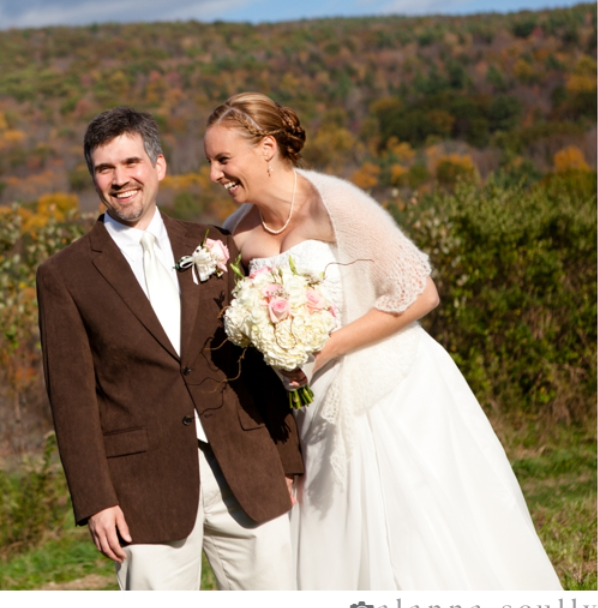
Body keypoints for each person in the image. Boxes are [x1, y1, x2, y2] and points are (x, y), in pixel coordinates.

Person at [204, 92, 563, 590]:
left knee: (410, 530)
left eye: (224, 159)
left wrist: (321, 351)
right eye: (211, 162)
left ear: (266, 148)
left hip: (388, 389)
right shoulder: (234, 234)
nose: (215, 174)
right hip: (310, 406)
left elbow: (419, 293)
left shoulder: (335, 205)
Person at [36, 106, 303, 591]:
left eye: (131, 163)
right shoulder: (64, 275)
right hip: (143, 486)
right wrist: (96, 500)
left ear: (158, 166)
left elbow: (255, 355)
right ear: (94, 178)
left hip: (247, 468)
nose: (120, 179)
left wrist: (287, 459)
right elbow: (71, 399)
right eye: (105, 168)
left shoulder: (213, 242)